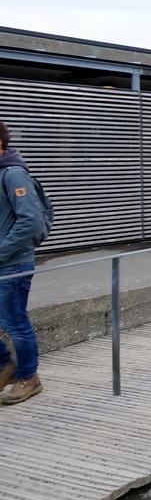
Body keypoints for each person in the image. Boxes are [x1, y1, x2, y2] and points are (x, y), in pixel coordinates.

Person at [0, 121, 44, 404]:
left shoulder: (14, 174)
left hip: (13, 264)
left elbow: (30, 220)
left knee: (15, 322)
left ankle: (29, 377)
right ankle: (5, 365)